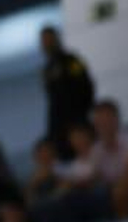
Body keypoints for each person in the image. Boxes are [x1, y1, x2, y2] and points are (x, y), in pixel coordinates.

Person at [39, 25, 94, 160]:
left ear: (57, 39)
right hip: (59, 126)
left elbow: (87, 86)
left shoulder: (72, 61)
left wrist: (81, 115)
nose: (47, 44)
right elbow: (52, 101)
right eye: (44, 41)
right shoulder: (47, 70)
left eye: (49, 40)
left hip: (78, 120)